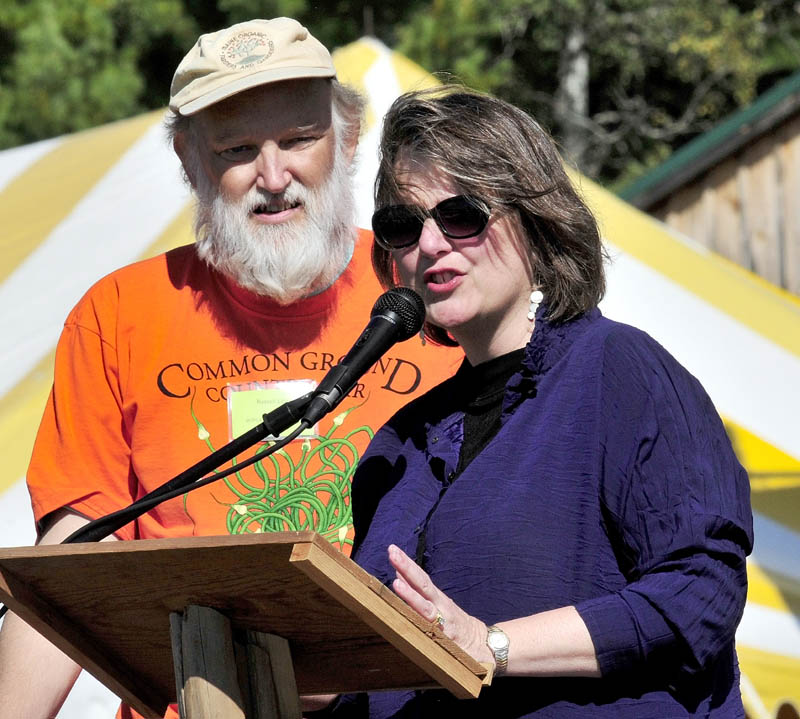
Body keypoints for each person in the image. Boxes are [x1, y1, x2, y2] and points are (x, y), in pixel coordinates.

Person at [0, 19, 461, 719]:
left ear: (348, 137)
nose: (273, 178)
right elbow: (75, 560)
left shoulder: (436, 290)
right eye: (237, 149)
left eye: (300, 140)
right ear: (189, 160)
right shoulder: (119, 313)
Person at [332, 86, 753, 717]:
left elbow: (699, 593)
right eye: (403, 225)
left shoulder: (619, 371)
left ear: (536, 220)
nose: (431, 244)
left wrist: (490, 645)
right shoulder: (402, 442)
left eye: (461, 214)